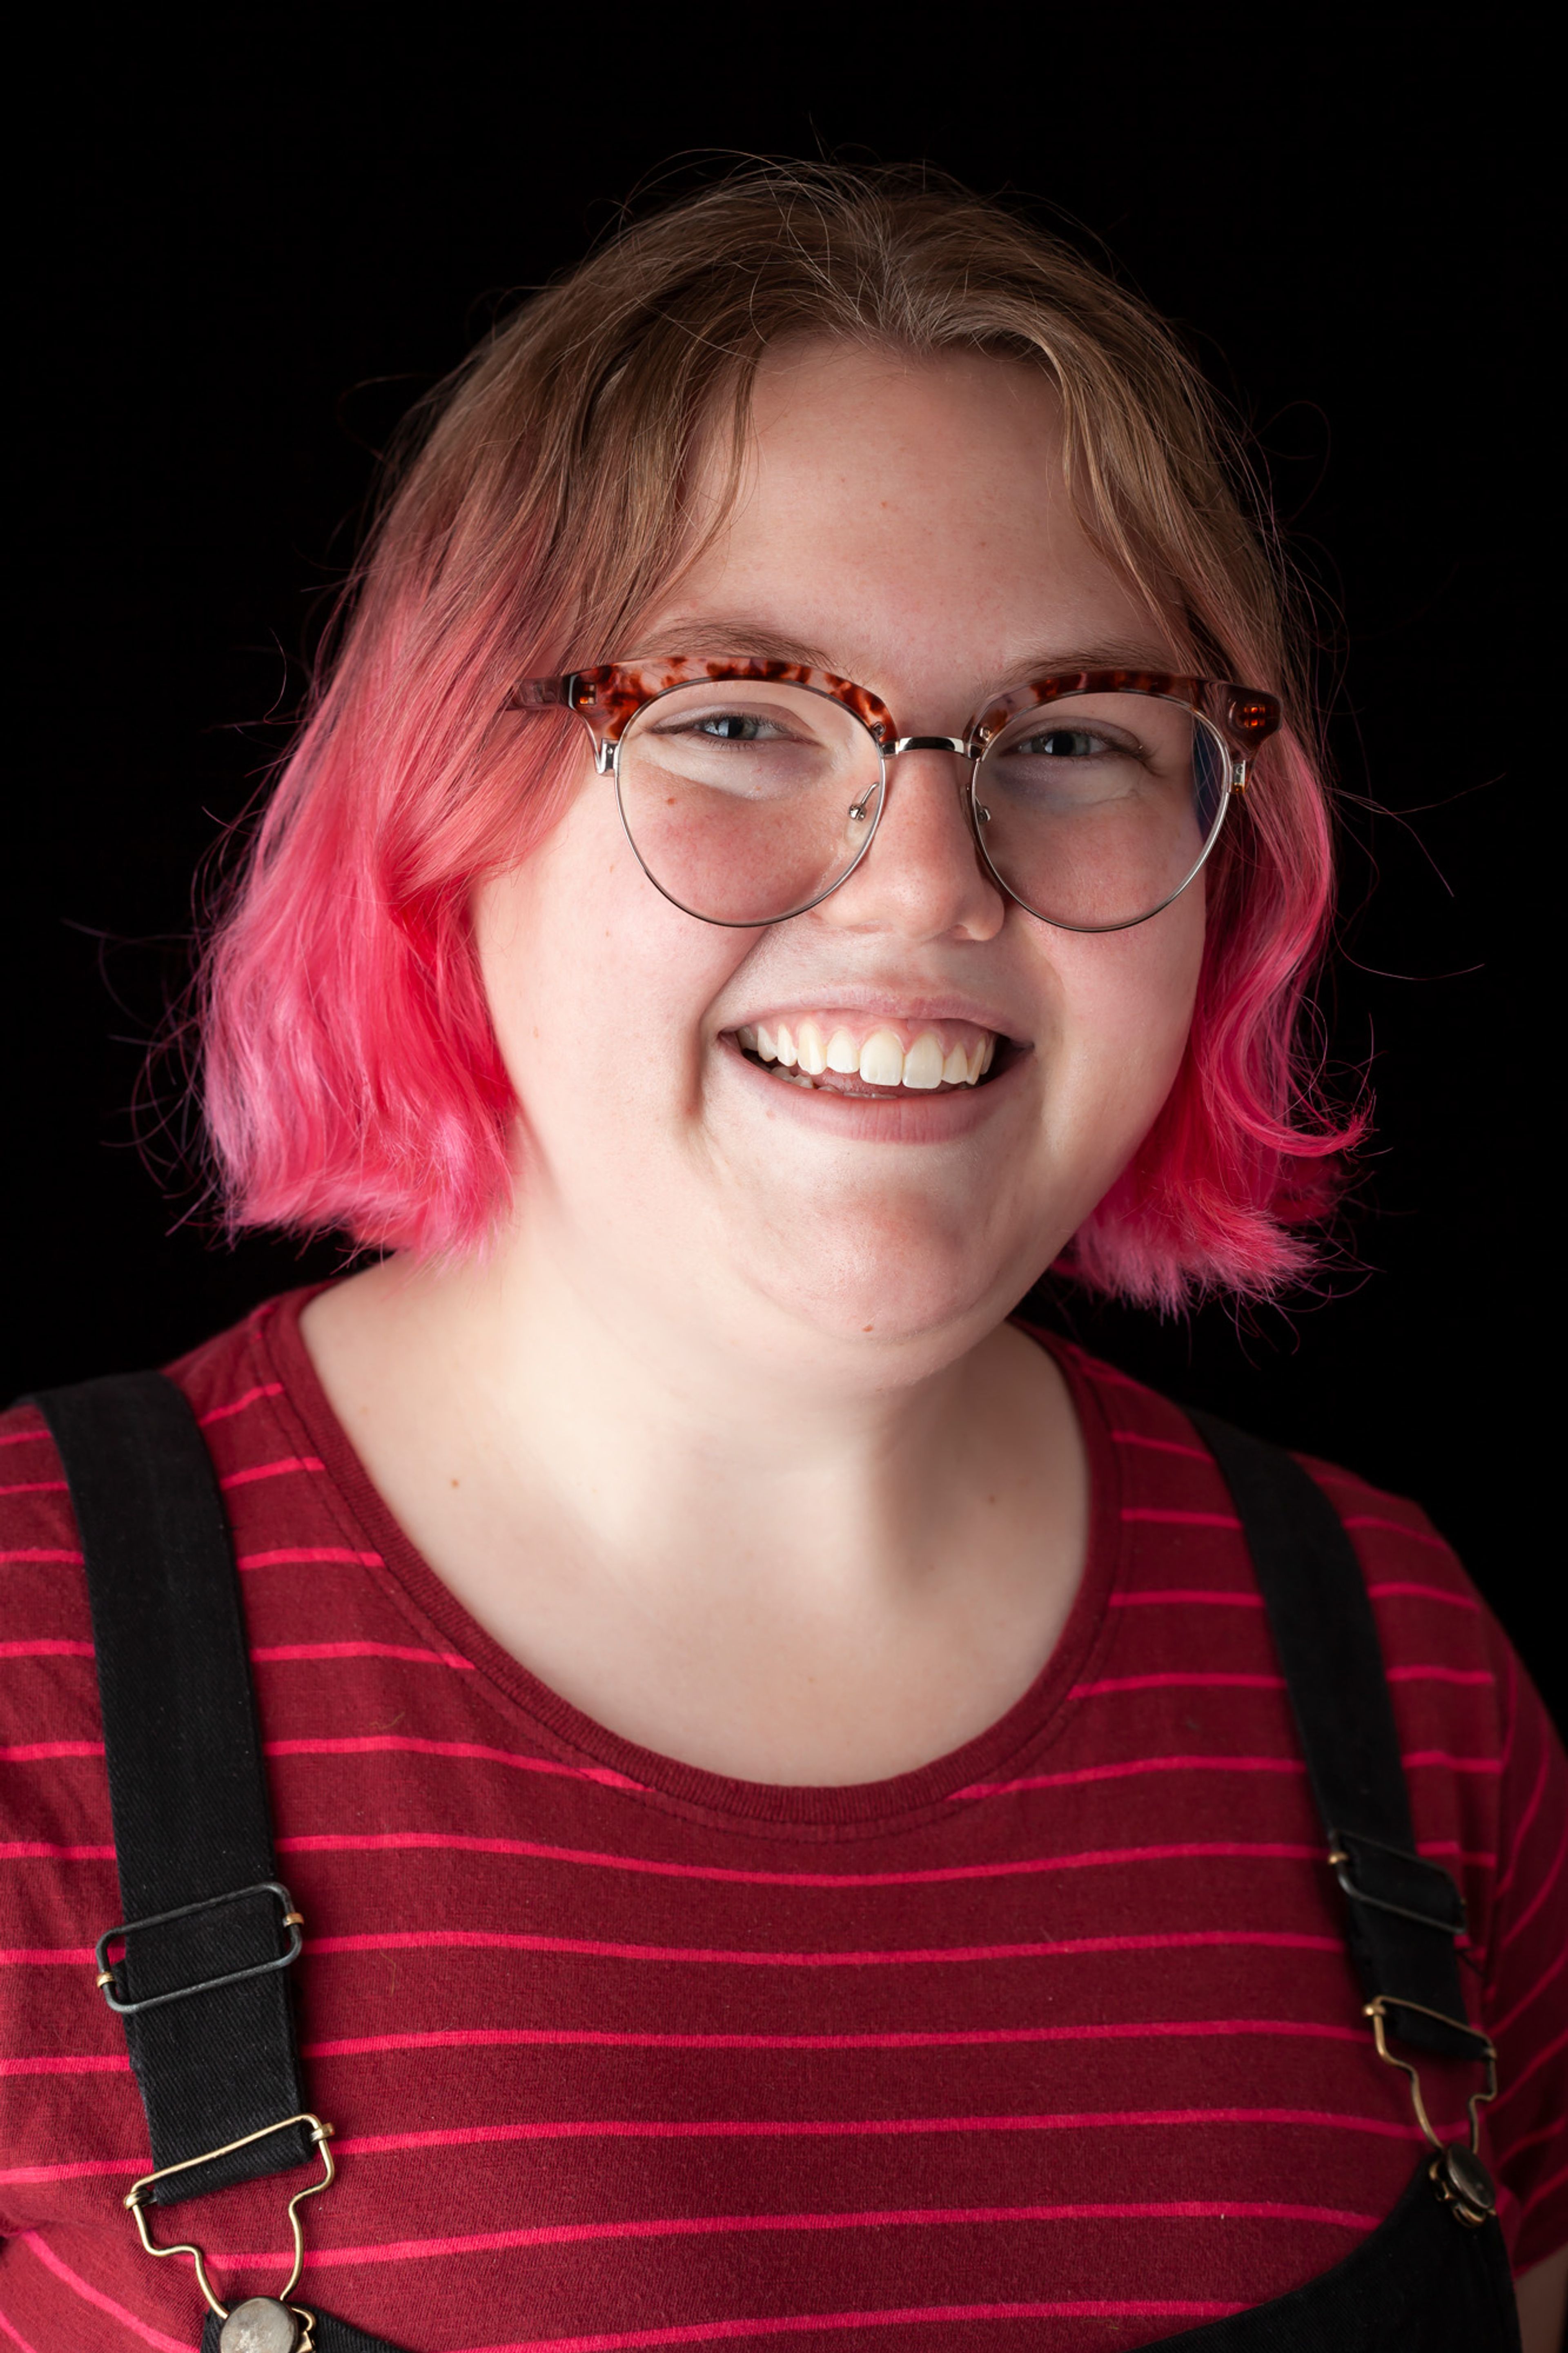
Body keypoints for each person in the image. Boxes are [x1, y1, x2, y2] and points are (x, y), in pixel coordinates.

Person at [2, 163, 1563, 2353]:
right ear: (444, 802)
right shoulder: (29, 1667)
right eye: (739, 712)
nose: (929, 877)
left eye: (1079, 735)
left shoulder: (1409, 1670)